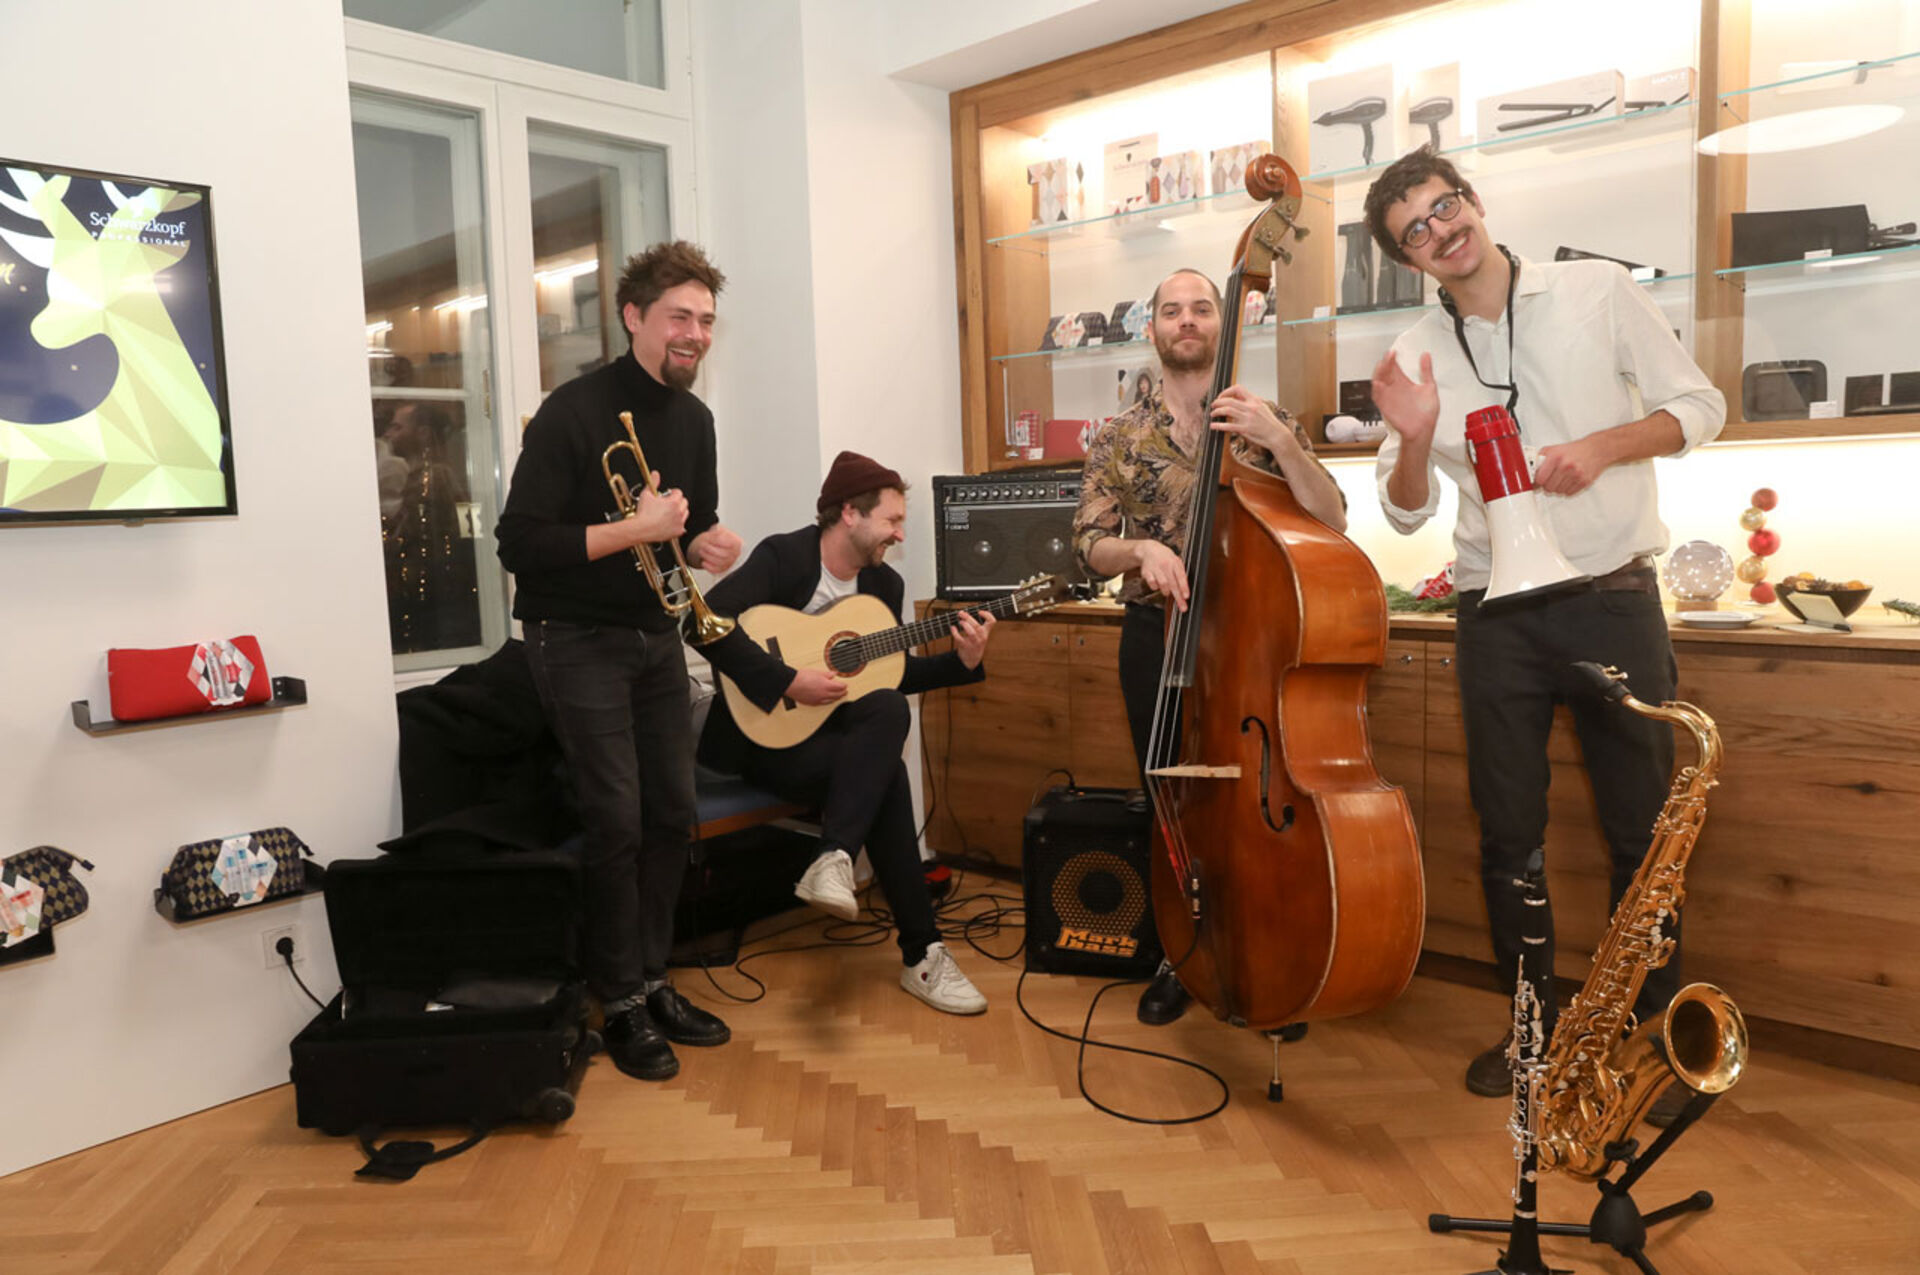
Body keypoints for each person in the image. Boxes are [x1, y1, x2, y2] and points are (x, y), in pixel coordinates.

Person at [1361, 146, 1725, 1113]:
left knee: (1643, 831)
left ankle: (1653, 1040)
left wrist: (1605, 446)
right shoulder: (1413, 353)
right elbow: (1403, 510)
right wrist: (1412, 437)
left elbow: (1701, 406)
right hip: (1496, 615)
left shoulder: (1596, 290)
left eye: (1445, 206)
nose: (1441, 230)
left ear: (1473, 201)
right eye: (1415, 231)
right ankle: (1530, 1031)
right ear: (1409, 260)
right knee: (1508, 833)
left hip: (1612, 594)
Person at [496, 240, 746, 1083]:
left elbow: (687, 531)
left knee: (673, 813)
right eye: (679, 316)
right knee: (616, 820)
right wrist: (632, 530)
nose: (695, 334)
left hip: (654, 634)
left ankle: (652, 978)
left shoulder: (695, 421)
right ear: (634, 316)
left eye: (705, 320)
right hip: (573, 638)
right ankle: (621, 1000)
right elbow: (519, 545)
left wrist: (705, 545)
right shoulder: (571, 412)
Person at [1071, 267, 1348, 1026]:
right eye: (1172, 310)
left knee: (1255, 802)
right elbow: (1089, 544)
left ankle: (1264, 952)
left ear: (1224, 326)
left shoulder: (1265, 419)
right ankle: (1181, 953)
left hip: (1256, 640)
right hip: (1156, 638)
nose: (1186, 320)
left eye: (1201, 308)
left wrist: (1281, 441)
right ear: (1152, 328)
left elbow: (1333, 518)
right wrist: (1140, 552)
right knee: (1172, 801)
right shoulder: (1119, 435)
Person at [698, 452, 996, 1014]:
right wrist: (787, 679)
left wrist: (962, 662)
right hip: (761, 738)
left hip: (835, 745)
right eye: (892, 520)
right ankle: (923, 955)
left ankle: (835, 859)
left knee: (885, 711)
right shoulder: (784, 557)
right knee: (885, 775)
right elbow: (705, 620)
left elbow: (889, 673)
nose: (900, 534)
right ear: (849, 513)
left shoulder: (884, 584)